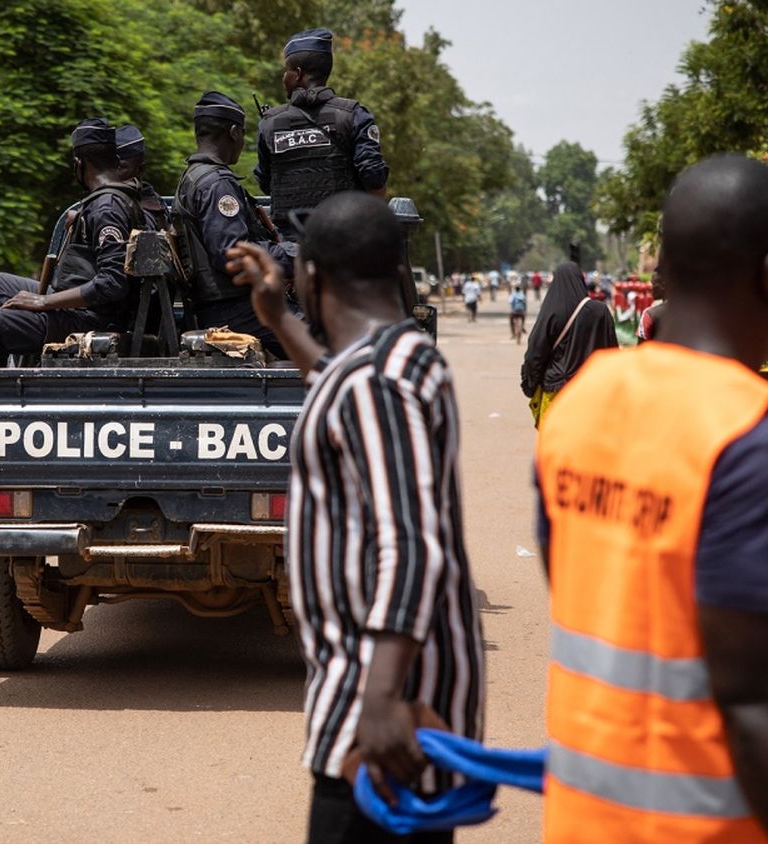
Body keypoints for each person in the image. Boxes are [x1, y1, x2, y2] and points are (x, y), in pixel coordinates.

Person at [536, 154, 768, 843]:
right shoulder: (759, 449)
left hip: (587, 823)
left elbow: (584, 584)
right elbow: (761, 712)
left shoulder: (582, 403)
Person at [228, 193, 484, 843]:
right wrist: (278, 319)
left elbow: (412, 542)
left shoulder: (376, 383)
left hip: (377, 722)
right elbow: (338, 383)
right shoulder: (399, 361)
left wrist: (379, 700)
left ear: (312, 276)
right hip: (392, 712)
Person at [0, 118, 147, 367]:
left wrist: (43, 302)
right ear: (114, 159)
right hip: (84, 305)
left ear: (79, 164)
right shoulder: (113, 200)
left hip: (89, 318)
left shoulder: (106, 207)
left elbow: (112, 284)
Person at [175, 91, 296, 357]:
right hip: (235, 310)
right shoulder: (217, 184)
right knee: (327, 335)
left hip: (226, 305)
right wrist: (294, 255)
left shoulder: (193, 178)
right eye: (242, 134)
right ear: (233, 132)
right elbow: (232, 254)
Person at [255, 28, 388, 237]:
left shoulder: (269, 124)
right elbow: (374, 177)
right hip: (343, 241)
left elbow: (265, 183)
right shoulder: (354, 115)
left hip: (290, 250)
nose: (284, 77)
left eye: (286, 71)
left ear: (297, 73)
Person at [520, 262, 617, 427]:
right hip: (594, 392)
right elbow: (613, 354)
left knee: (557, 447)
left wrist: (529, 384)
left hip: (557, 393)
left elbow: (535, 353)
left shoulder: (551, 312)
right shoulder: (600, 311)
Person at [637, 265, 667, 342]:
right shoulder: (691, 313)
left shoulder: (649, 315)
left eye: (653, 283)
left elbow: (641, 348)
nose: (650, 288)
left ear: (663, 285)